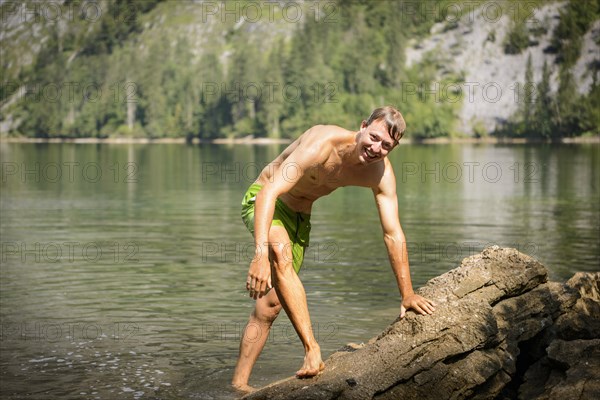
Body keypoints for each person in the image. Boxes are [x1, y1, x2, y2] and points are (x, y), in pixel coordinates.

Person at [232, 106, 436, 393]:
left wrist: (407, 294)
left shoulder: (380, 174)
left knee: (270, 307)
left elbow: (393, 234)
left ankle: (238, 384)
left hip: (300, 219)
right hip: (264, 201)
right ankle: (312, 349)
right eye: (374, 137)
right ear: (362, 126)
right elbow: (268, 192)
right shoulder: (321, 144)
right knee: (279, 252)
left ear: (394, 147)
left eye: (386, 145)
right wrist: (259, 254)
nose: (376, 148)